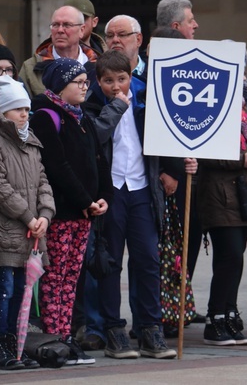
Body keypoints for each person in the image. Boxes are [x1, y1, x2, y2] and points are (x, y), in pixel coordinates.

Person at [82, 52, 184, 359]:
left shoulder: (145, 96)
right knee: (110, 262)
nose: (116, 86)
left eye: (122, 79)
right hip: (111, 190)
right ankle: (114, 328)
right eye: (108, 80)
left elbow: (169, 131)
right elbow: (96, 136)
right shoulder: (91, 103)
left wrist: (175, 167)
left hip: (141, 188)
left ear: (131, 76)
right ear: (98, 81)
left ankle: (150, 326)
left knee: (148, 260)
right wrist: (116, 107)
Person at [29, 58, 111, 365]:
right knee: (55, 279)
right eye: (78, 82)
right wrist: (83, 199)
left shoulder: (82, 117)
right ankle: (55, 339)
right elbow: (57, 165)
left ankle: (66, 335)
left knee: (71, 279)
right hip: (62, 212)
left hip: (84, 213)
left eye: (84, 81)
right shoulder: (46, 116)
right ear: (60, 85)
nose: (84, 86)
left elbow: (99, 160)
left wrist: (104, 197)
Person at [0, 74, 54, 370]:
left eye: (26, 109)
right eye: (18, 108)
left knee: (22, 293)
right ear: (2, 111)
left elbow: (43, 183)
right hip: (7, 232)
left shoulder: (31, 142)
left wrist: (45, 215)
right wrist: (29, 216)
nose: (24, 113)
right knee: (4, 289)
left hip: (31, 232)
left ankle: (15, 345)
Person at [197, 47, 247, 346]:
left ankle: (229, 311)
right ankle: (216, 319)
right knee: (229, 256)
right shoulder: (207, 98)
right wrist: (243, 160)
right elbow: (203, 151)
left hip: (244, 189)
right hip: (218, 191)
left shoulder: (244, 100)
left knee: (235, 258)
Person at [19, 6, 99, 97]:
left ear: (82, 30)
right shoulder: (31, 68)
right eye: (55, 25)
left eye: (67, 25)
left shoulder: (100, 67)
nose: (60, 30)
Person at [105, 15, 146, 82]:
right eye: (110, 36)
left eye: (122, 35)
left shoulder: (155, 72)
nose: (115, 40)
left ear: (138, 39)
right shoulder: (94, 74)